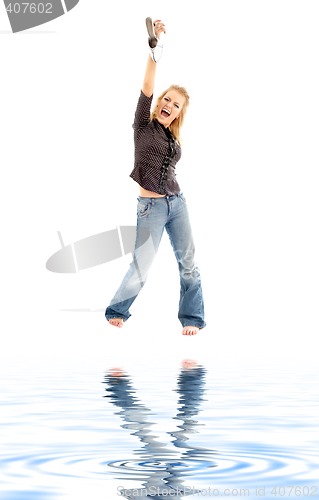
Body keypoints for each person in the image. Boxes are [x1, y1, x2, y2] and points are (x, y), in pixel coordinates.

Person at [105, 19, 205, 336]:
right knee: (141, 268)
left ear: (178, 113)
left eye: (176, 105)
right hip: (151, 208)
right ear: (159, 102)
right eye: (167, 99)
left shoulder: (173, 136)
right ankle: (117, 310)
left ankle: (192, 319)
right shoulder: (143, 126)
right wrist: (154, 49)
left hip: (178, 204)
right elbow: (147, 87)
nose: (169, 105)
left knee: (189, 263)